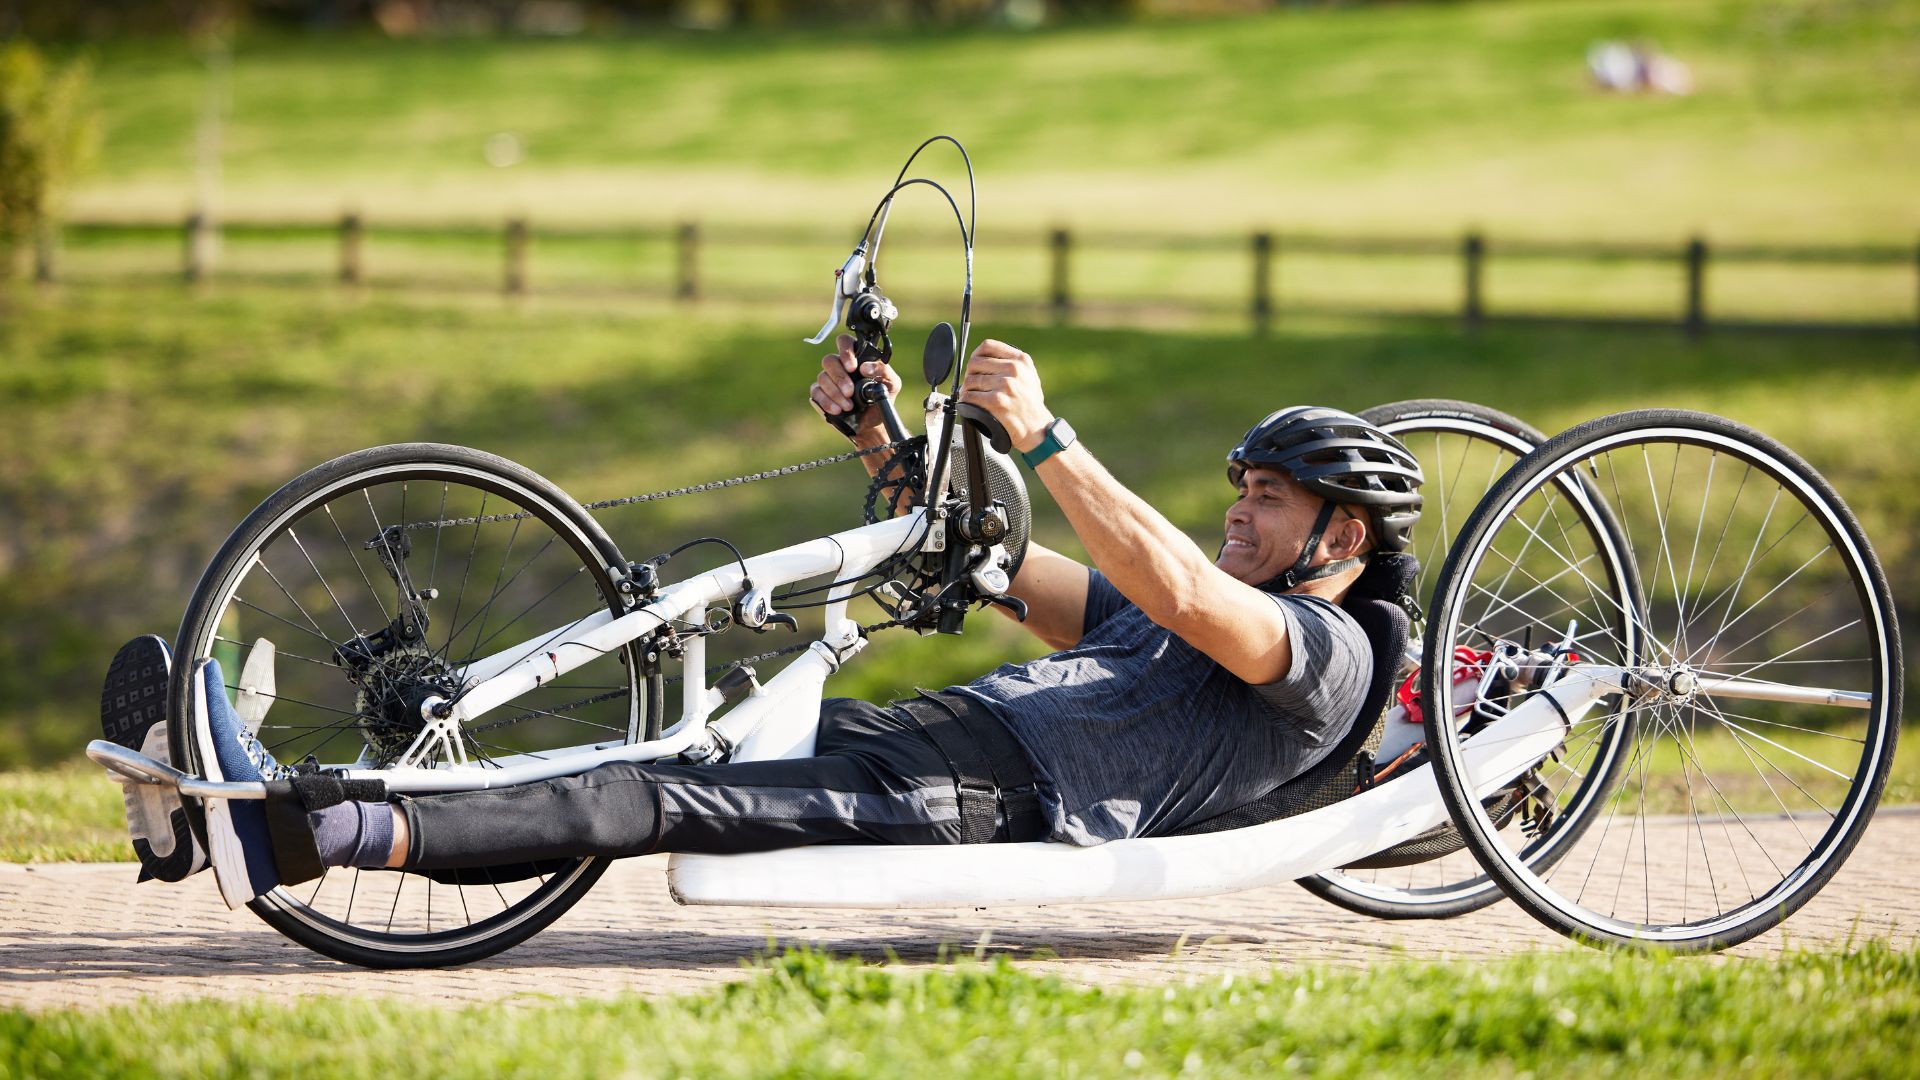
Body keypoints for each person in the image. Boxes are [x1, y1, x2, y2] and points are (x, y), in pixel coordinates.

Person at [151, 336, 1424, 909]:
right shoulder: (1185, 613)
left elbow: (1188, 597)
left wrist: (1052, 440)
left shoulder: (1327, 657)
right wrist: (877, 429)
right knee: (654, 758)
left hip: (983, 799)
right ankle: (291, 795)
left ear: (1344, 537)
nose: (1238, 517)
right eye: (1240, 494)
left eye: (1266, 500)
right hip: (937, 739)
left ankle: (312, 831)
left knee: (655, 801)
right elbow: (985, 560)